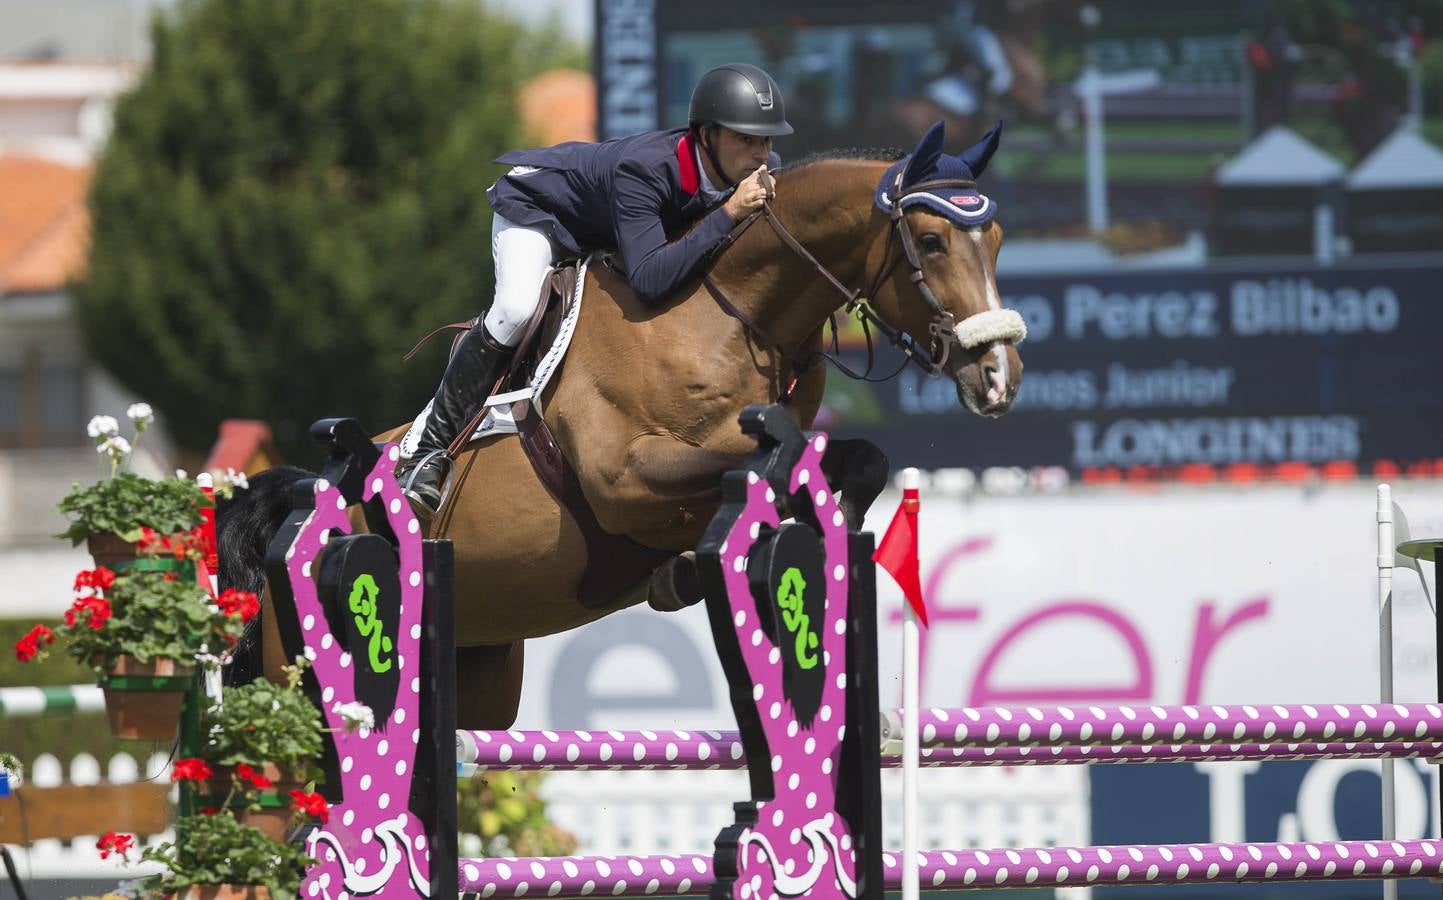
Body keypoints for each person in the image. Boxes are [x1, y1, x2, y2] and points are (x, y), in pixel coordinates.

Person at [396, 63, 791, 519]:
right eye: (746, 139)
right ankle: (427, 453)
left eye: (766, 140)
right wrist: (729, 215)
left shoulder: (750, 172)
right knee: (517, 308)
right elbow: (650, 281)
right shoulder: (644, 170)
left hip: (604, 229)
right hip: (540, 212)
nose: (760, 154)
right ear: (706, 137)